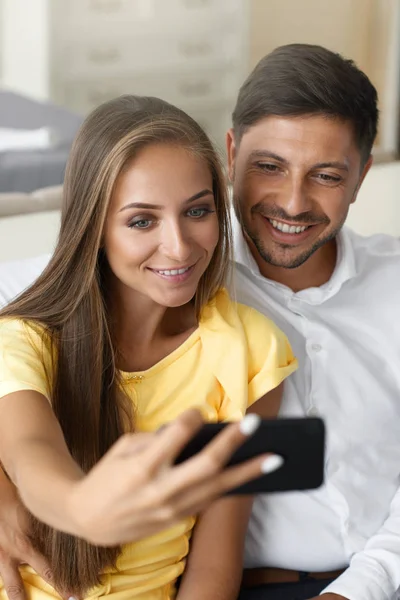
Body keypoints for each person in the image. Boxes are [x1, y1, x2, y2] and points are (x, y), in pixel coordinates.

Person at [0, 95, 297, 600]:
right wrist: (80, 508)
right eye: (142, 221)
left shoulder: (251, 349)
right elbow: (30, 451)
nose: (179, 247)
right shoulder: (26, 338)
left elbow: (214, 568)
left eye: (197, 211)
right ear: (94, 227)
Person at [227, 44, 400, 600]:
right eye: (269, 167)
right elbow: (27, 329)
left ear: (361, 176)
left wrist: (359, 589)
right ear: (231, 152)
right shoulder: (172, 275)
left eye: (326, 175)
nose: (293, 203)